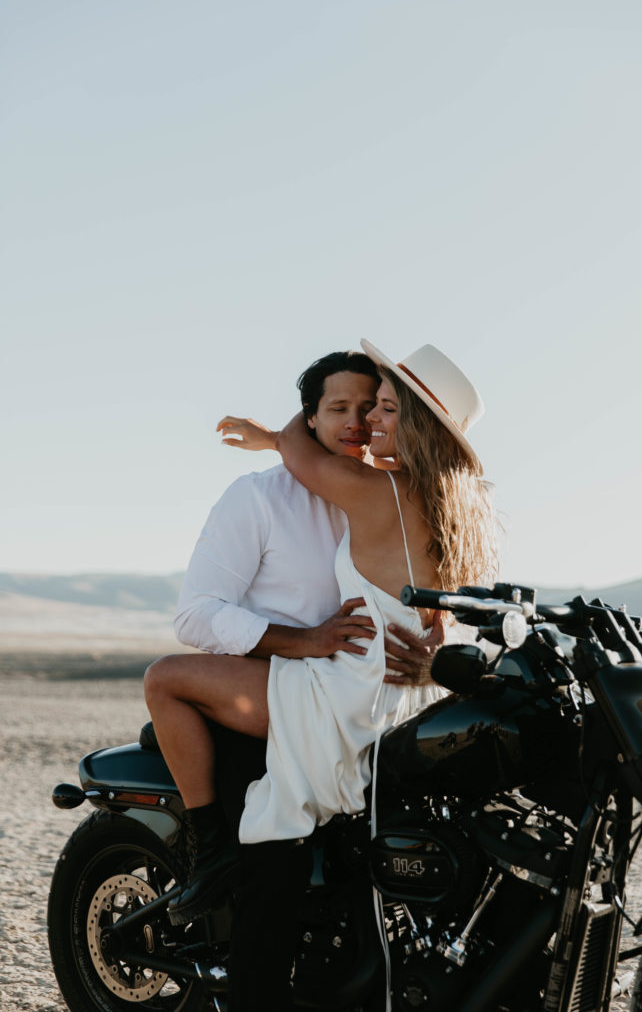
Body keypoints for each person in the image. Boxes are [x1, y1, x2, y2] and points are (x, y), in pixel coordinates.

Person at [144, 350, 449, 922]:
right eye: (339, 408)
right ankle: (210, 852)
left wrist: (434, 641)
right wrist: (301, 640)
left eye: (370, 406)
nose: (357, 422)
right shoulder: (257, 498)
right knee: (268, 878)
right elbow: (195, 615)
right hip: (263, 693)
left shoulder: (388, 493)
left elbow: (425, 589)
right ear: (308, 418)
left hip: (360, 703)